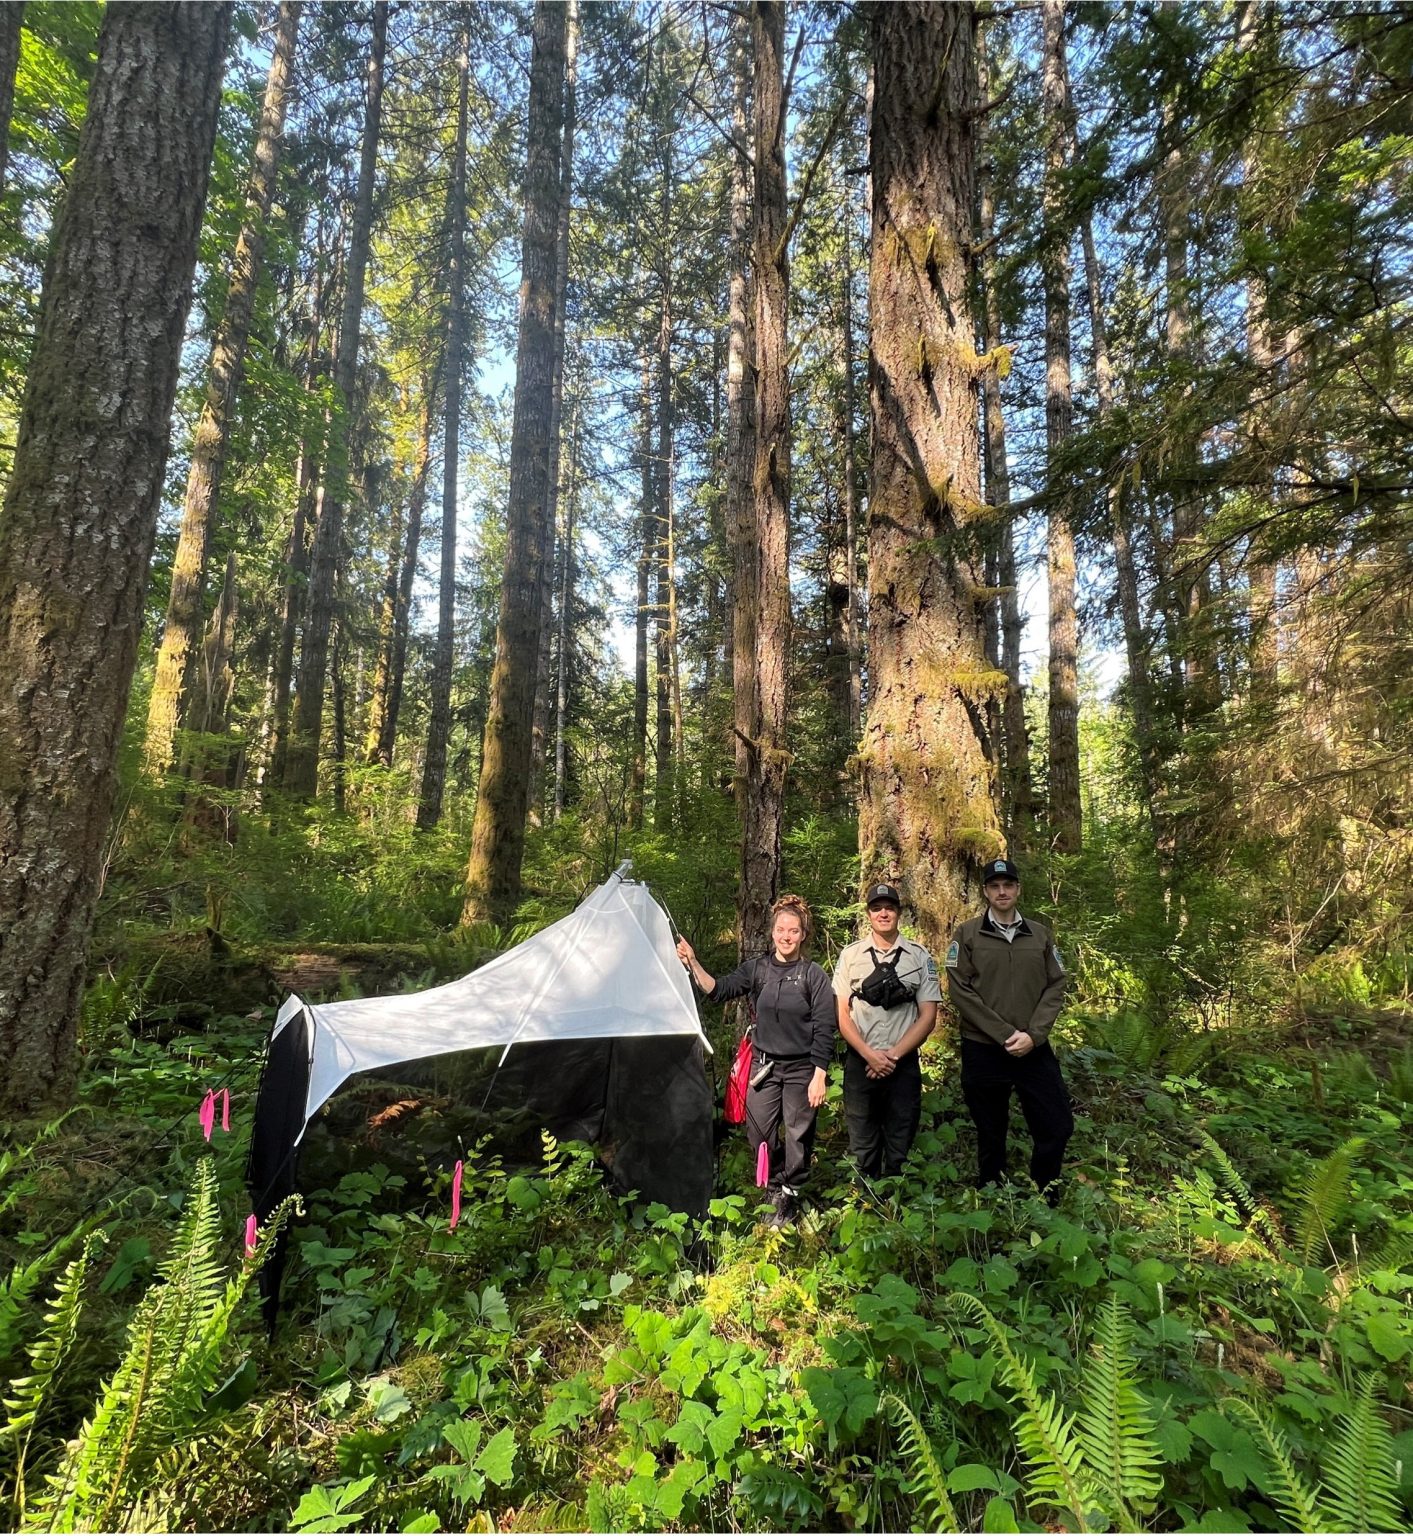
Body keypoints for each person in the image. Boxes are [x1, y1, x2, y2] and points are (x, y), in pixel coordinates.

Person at [676, 894, 834, 1227]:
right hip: (764, 1067)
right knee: (758, 1133)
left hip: (802, 1069)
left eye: (793, 931)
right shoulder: (758, 969)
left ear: (803, 934)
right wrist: (692, 961)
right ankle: (774, 1183)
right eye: (780, 930)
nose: (786, 936)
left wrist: (820, 1074)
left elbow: (825, 1027)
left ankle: (788, 1193)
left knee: (798, 1134)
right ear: (772, 932)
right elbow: (719, 990)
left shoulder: (813, 975)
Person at [945, 857, 1073, 1202]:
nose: (1002, 891)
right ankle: (991, 1196)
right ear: (986, 891)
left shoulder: (1040, 934)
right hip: (984, 1049)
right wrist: (1003, 1034)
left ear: (1018, 889)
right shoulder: (968, 934)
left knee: (1057, 1125)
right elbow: (960, 989)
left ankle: (1044, 1194)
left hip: (1033, 1048)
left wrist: (1034, 1034)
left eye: (1008, 885)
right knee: (990, 1129)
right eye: (994, 886)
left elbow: (1056, 985)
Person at [832, 882, 942, 1179]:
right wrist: (870, 1055)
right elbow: (842, 1014)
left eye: (889, 908)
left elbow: (928, 1014)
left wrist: (891, 1056)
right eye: (877, 908)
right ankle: (867, 1202)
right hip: (860, 1062)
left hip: (902, 1063)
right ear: (868, 914)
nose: (883, 913)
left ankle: (898, 1202)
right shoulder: (850, 956)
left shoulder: (919, 957)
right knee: (862, 1139)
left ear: (899, 913)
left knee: (900, 1138)